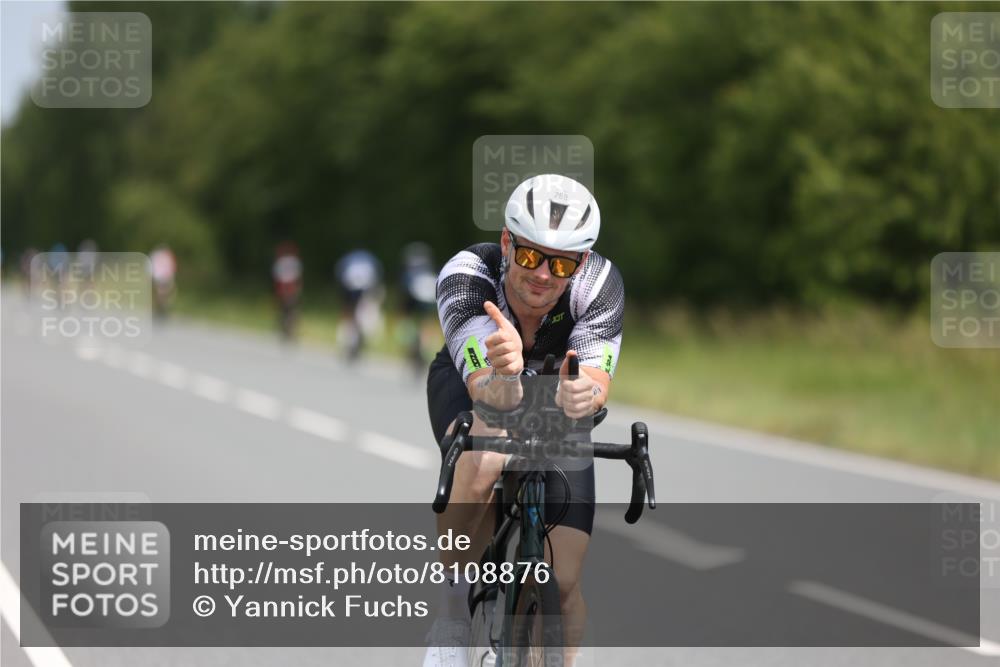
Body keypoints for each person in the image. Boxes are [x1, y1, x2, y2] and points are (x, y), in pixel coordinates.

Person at [424, 174, 623, 667]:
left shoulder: (600, 285)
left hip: (552, 395)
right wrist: (507, 371)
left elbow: (595, 383)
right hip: (474, 384)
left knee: (565, 583)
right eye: (531, 256)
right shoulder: (467, 275)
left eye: (562, 263)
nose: (544, 275)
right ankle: (452, 608)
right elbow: (488, 393)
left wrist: (581, 395)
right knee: (488, 450)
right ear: (507, 243)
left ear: (581, 263)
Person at [334, 248, 384, 361]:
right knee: (362, 311)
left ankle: (346, 337)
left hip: (349, 286)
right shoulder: (370, 259)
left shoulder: (349, 259)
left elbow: (339, 272)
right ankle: (355, 335)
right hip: (364, 288)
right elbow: (378, 275)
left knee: (348, 312)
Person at [400, 242, 439, 376]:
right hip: (429, 298)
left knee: (406, 318)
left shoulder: (409, 274)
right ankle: (424, 345)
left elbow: (404, 295)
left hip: (413, 295)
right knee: (427, 321)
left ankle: (410, 344)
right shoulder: (431, 272)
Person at [272, 241, 304, 341]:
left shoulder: (281, 261)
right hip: (291, 288)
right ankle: (289, 330)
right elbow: (298, 277)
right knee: (291, 310)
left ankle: (286, 330)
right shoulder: (294, 261)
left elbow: (277, 277)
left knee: (284, 310)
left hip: (284, 288)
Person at [150, 244, 177, 320]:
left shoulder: (157, 255)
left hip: (161, 277)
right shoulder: (165, 256)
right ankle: (161, 309)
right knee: (163, 295)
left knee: (162, 295)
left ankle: (161, 309)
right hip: (163, 277)